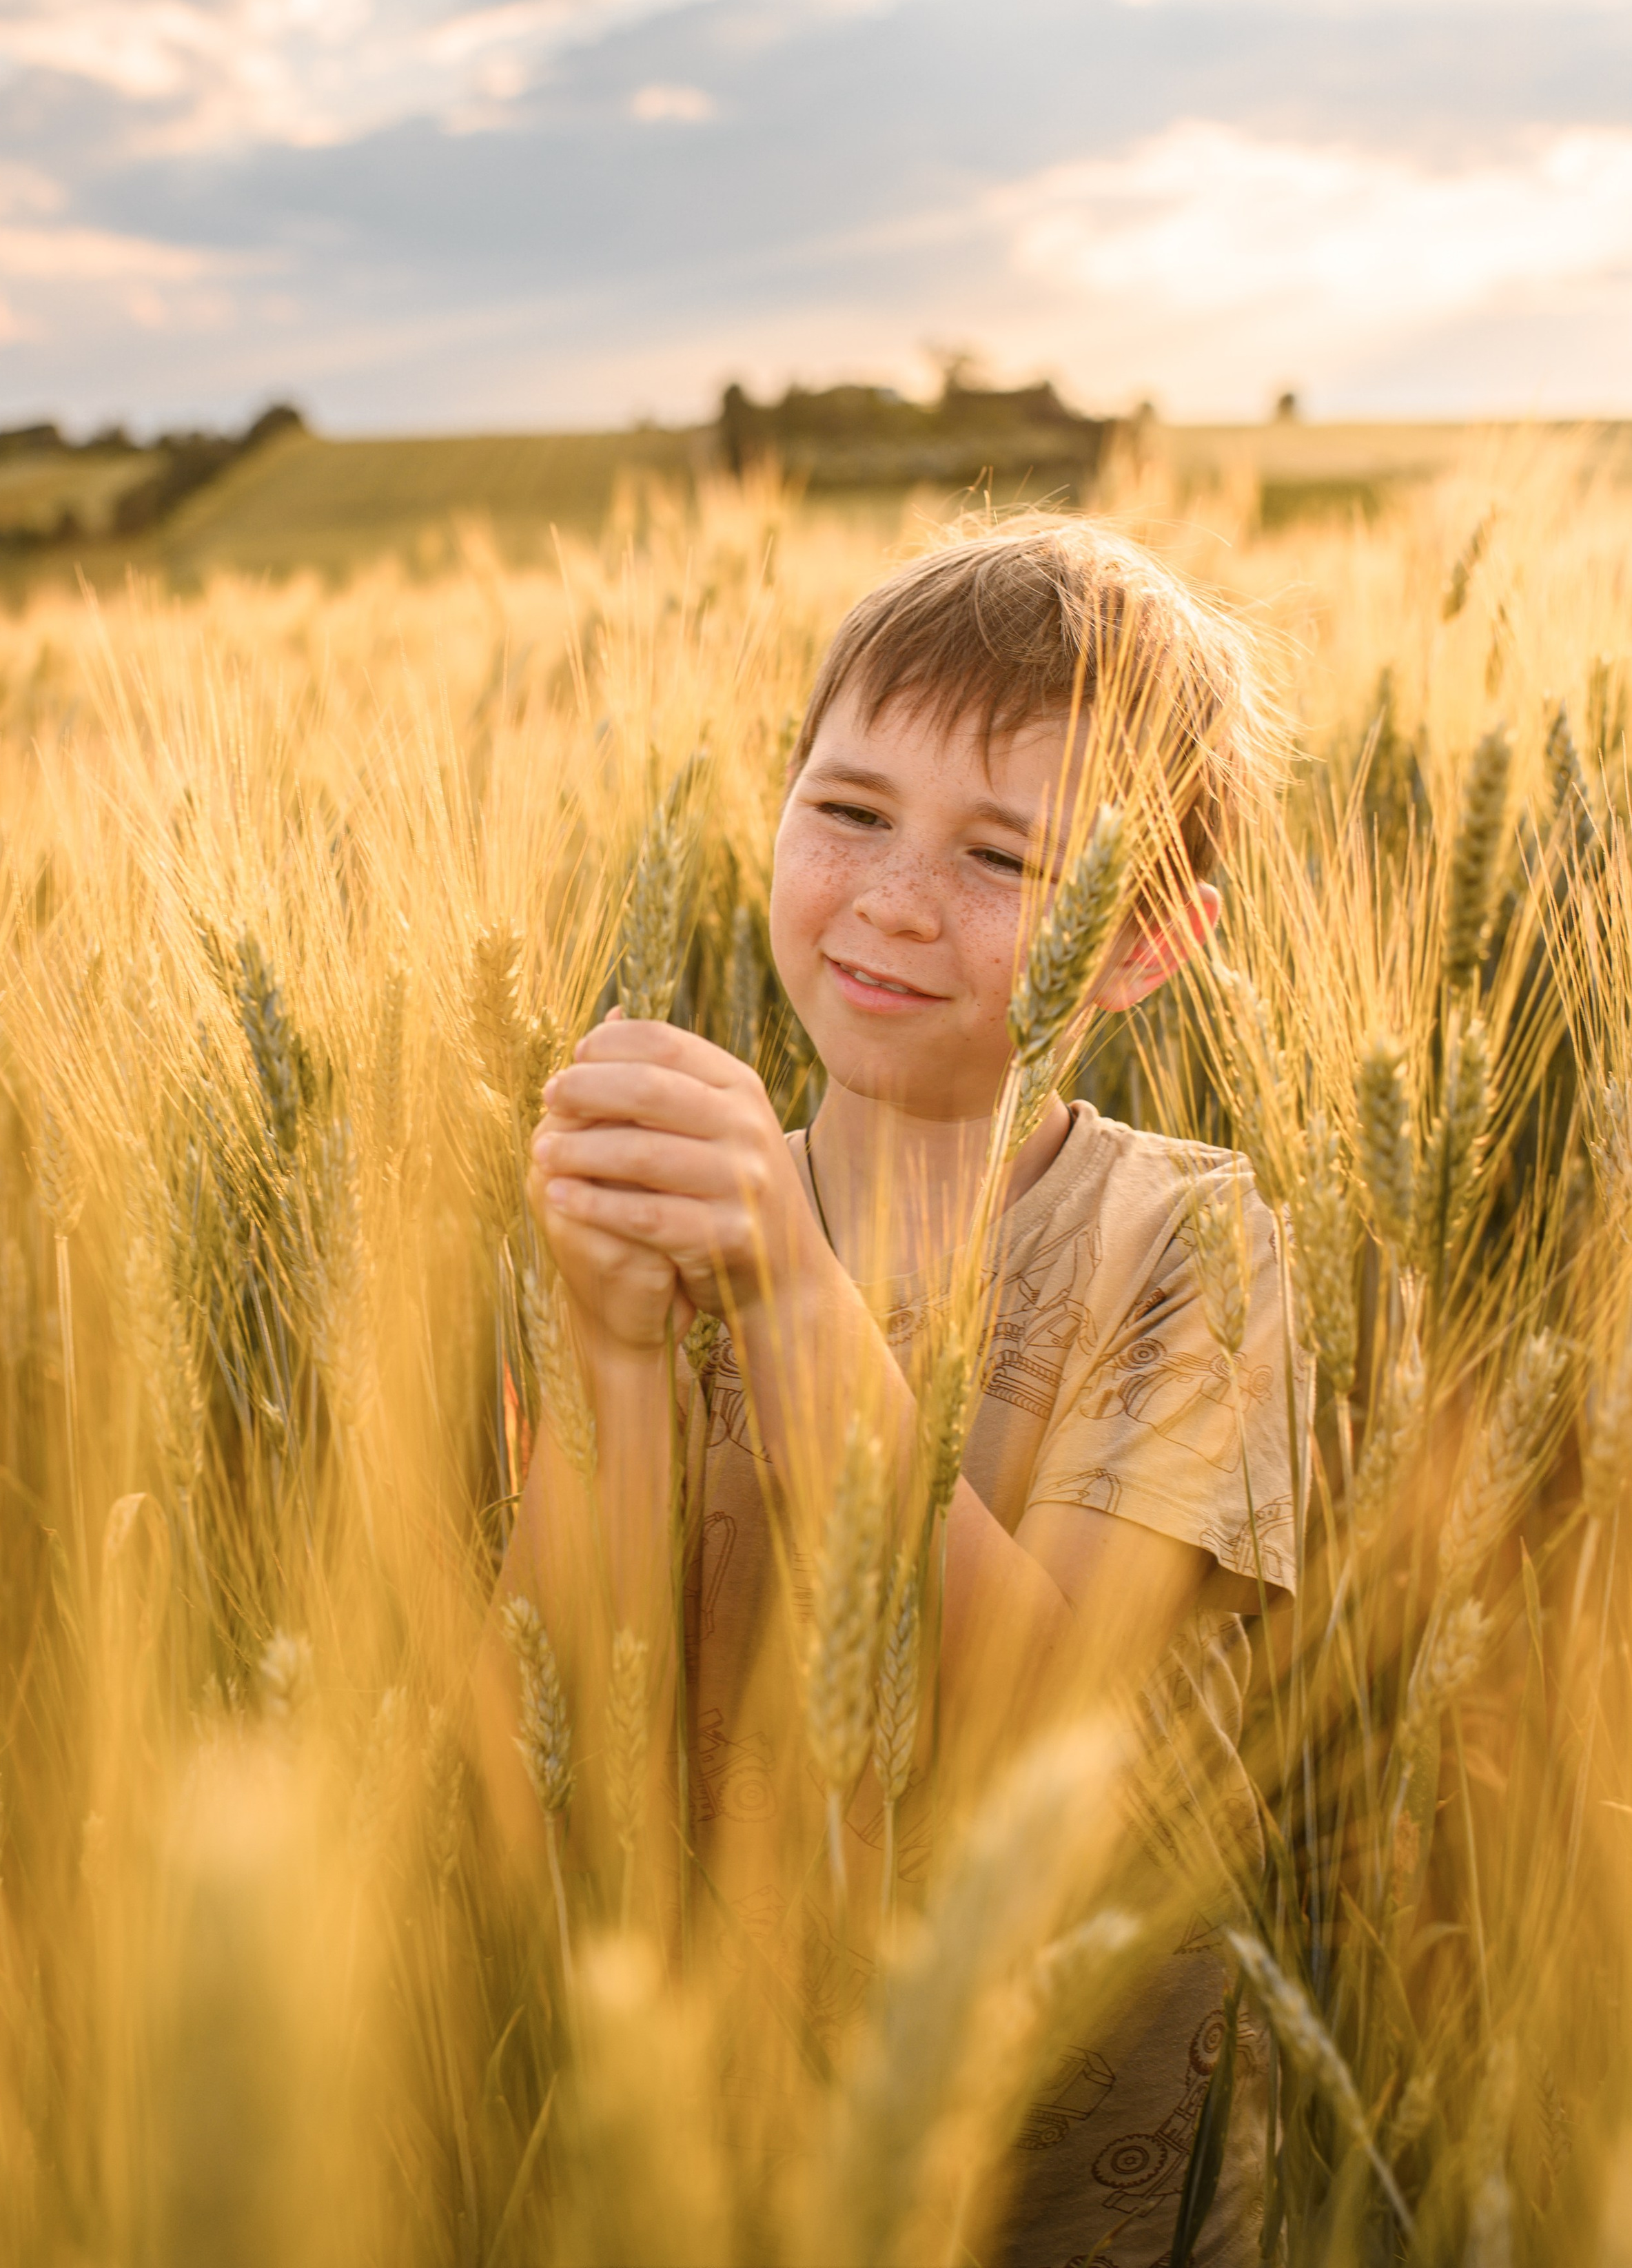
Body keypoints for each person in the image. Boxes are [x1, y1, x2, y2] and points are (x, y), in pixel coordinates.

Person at [498, 515, 1309, 2265]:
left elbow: (1058, 1721)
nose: (889, 899)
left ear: (1145, 939)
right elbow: (562, 1709)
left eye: (1003, 857)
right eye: (848, 810)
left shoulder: (1184, 1241)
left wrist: (790, 1291)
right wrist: (612, 1347)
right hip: (731, 2141)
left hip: (1054, 2163)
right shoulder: (673, 1205)